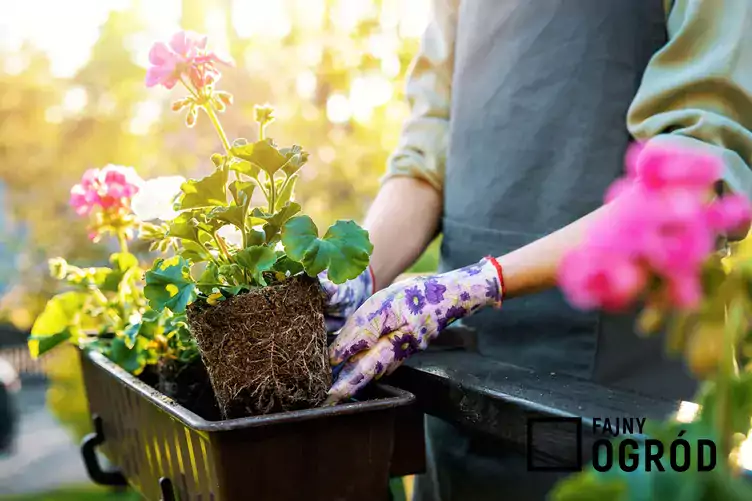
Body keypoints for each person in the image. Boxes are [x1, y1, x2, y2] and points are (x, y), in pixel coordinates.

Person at [320, 0, 752, 499]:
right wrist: (361, 275)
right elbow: (425, 154)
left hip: (617, 392)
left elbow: (692, 180)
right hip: (459, 374)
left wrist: (481, 283)